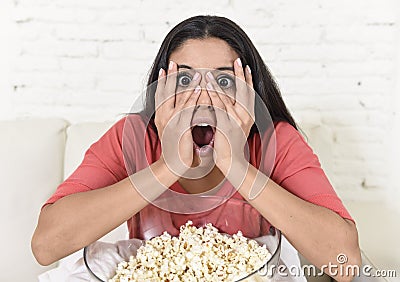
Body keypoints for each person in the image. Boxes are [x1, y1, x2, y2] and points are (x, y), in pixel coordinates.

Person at [31, 15, 361, 281]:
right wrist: (168, 166)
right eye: (185, 80)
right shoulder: (132, 138)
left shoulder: (276, 140)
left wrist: (236, 165)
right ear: (161, 89)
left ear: (250, 92)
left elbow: (345, 262)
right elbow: (46, 246)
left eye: (224, 81)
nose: (204, 97)